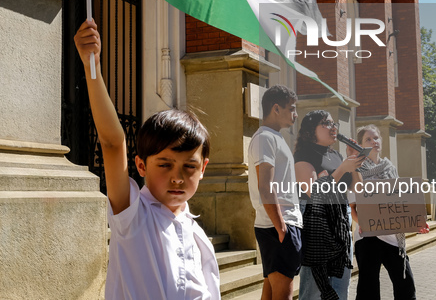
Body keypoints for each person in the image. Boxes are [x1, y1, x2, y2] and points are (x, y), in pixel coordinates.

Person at [74, 20, 220, 299]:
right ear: (141, 165)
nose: (177, 177)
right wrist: (92, 67)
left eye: (189, 166)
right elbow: (112, 143)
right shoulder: (132, 215)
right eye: (165, 164)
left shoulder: (200, 238)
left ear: (203, 168)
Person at [349, 125, 428, 300]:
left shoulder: (390, 168)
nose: (373, 142)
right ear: (361, 145)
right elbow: (353, 207)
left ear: (381, 141)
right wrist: (362, 223)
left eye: (376, 137)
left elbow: (402, 201)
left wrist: (418, 221)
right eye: (368, 139)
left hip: (393, 237)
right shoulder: (355, 169)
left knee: (406, 287)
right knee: (368, 290)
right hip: (367, 237)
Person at [294, 110, 364, 300]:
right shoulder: (304, 155)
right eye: (326, 123)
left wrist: (354, 161)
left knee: (341, 284)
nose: (333, 127)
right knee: (315, 287)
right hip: (317, 223)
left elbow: (357, 187)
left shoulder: (336, 156)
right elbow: (315, 193)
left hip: (340, 222)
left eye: (334, 124)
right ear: (311, 130)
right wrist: (342, 170)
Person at [248, 85, 302, 300]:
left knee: (270, 292)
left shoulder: (274, 137)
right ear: (276, 108)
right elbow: (265, 187)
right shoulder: (265, 138)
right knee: (282, 294)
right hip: (278, 224)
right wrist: (281, 227)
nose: (296, 114)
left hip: (280, 224)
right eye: (292, 109)